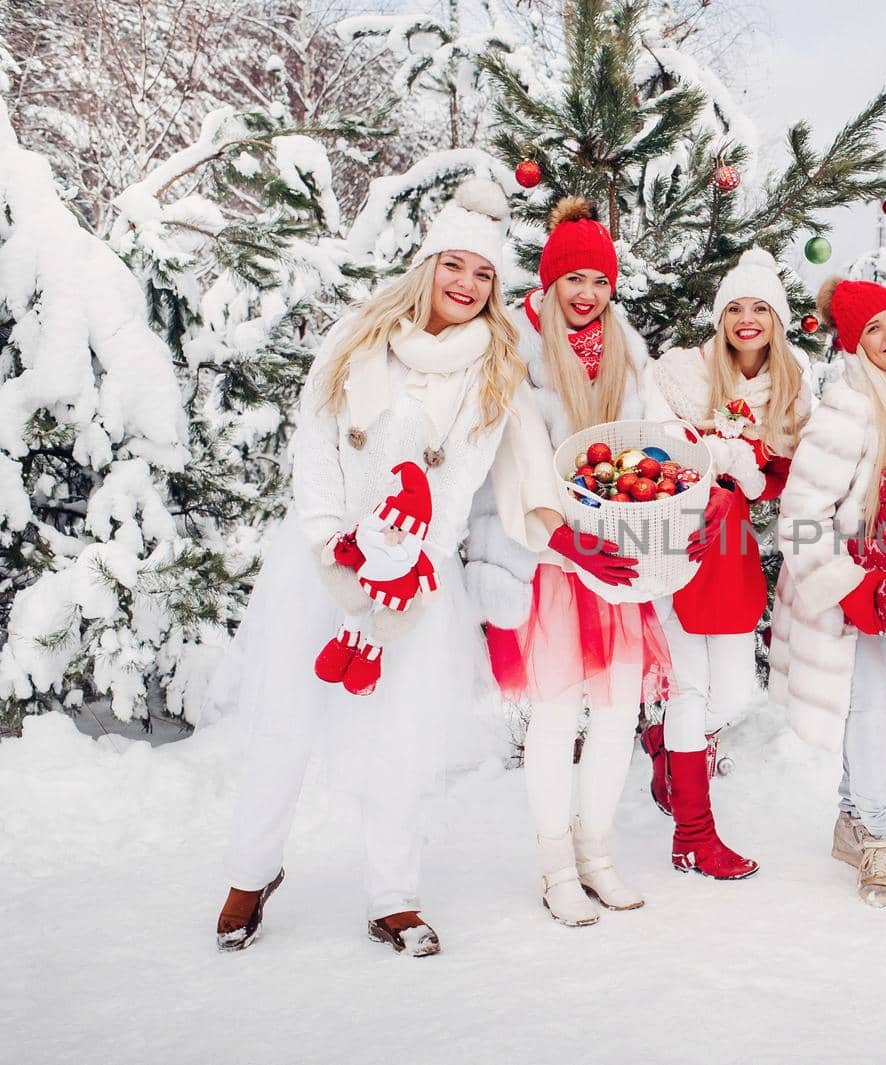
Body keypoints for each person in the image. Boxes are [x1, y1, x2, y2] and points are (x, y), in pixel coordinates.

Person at [213, 179, 530, 956]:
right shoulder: (360, 333)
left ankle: (393, 894)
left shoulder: (490, 368)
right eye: (454, 265)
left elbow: (458, 479)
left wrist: (404, 570)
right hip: (322, 556)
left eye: (482, 273)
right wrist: (329, 544)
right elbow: (313, 436)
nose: (466, 284)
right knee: (288, 715)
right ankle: (253, 870)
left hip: (413, 575)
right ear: (427, 265)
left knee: (400, 735)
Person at [464, 196, 671, 927]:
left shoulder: (627, 349)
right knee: (556, 717)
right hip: (550, 555)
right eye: (573, 279)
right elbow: (516, 459)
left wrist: (679, 508)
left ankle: (597, 853)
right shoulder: (514, 347)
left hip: (615, 556)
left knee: (617, 713)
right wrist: (561, 534)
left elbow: (657, 441)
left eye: (600, 282)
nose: (587, 295)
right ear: (549, 284)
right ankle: (555, 863)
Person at [766, 277, 886, 908]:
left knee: (863, 703)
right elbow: (800, 514)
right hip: (844, 584)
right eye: (873, 329)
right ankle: (880, 838)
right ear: (854, 346)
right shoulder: (849, 410)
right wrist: (843, 584)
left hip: (885, 580)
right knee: (867, 707)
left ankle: (851, 819)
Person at [639, 248, 812, 879]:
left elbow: (778, 482)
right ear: (719, 317)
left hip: (731, 548)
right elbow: (654, 444)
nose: (746, 319)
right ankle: (694, 837)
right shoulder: (681, 371)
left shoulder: (791, 391)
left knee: (733, 693)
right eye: (735, 307)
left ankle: (665, 746)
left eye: (759, 308)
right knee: (689, 691)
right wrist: (714, 450)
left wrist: (748, 467)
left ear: (776, 319)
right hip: (675, 542)